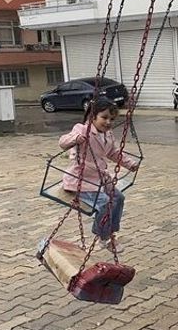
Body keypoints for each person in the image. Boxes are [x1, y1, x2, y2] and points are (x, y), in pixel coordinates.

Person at [58, 98, 139, 249]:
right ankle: (103, 236)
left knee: (119, 198)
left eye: (112, 119)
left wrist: (129, 164)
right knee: (104, 203)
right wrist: (75, 138)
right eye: (104, 117)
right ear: (93, 116)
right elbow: (63, 142)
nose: (108, 122)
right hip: (81, 180)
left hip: (100, 178)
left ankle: (110, 231)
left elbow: (113, 153)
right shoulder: (82, 129)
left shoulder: (107, 135)